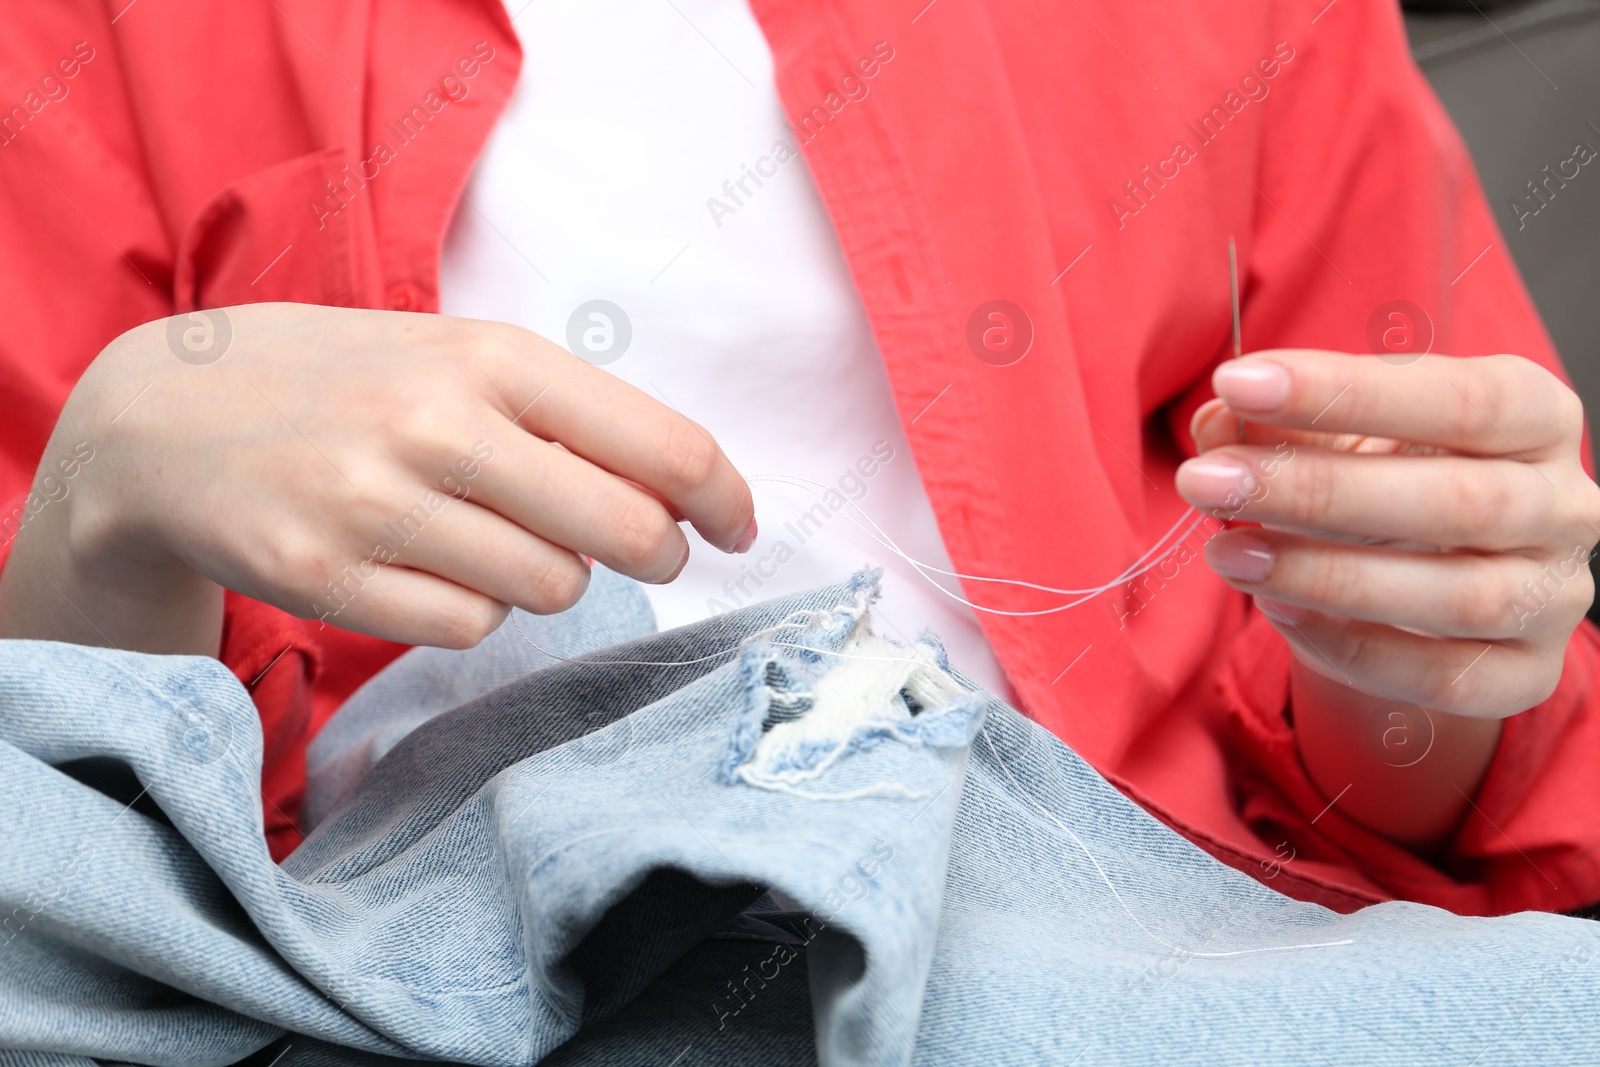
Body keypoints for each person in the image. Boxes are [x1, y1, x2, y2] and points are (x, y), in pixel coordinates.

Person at [1, 0, 1596, 916]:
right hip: (375, 941)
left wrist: (1419, 656)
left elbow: (1416, 748)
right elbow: (57, 858)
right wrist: (111, 482)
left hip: (1140, 922)